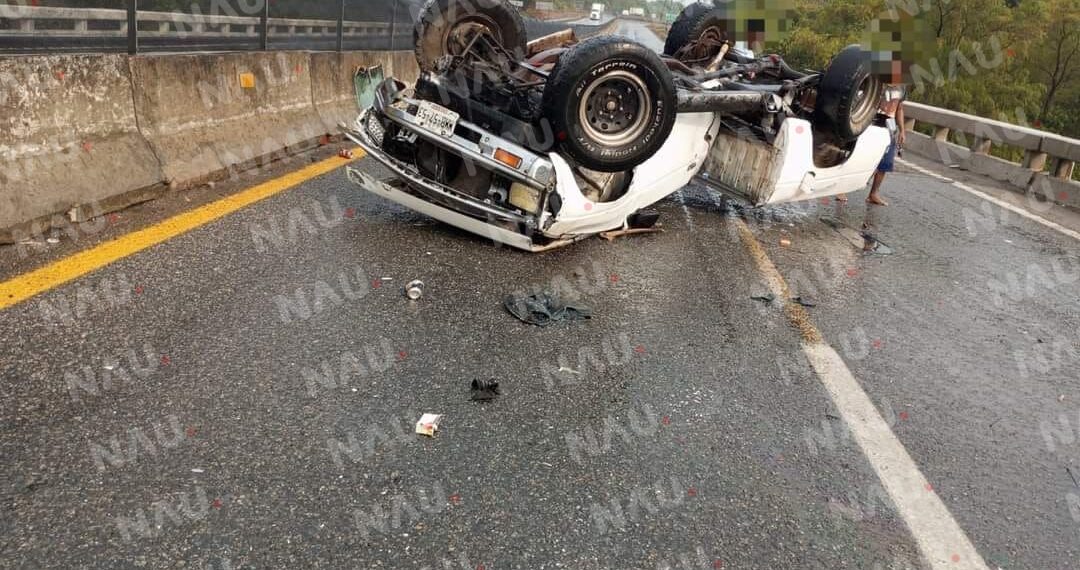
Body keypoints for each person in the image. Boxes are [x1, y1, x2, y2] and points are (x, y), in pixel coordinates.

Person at [837, 83, 907, 206]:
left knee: (885, 161)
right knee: (859, 155)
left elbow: (899, 108)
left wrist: (902, 130)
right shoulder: (878, 80)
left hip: (889, 123)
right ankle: (842, 189)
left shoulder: (902, 87)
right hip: (872, 119)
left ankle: (873, 194)